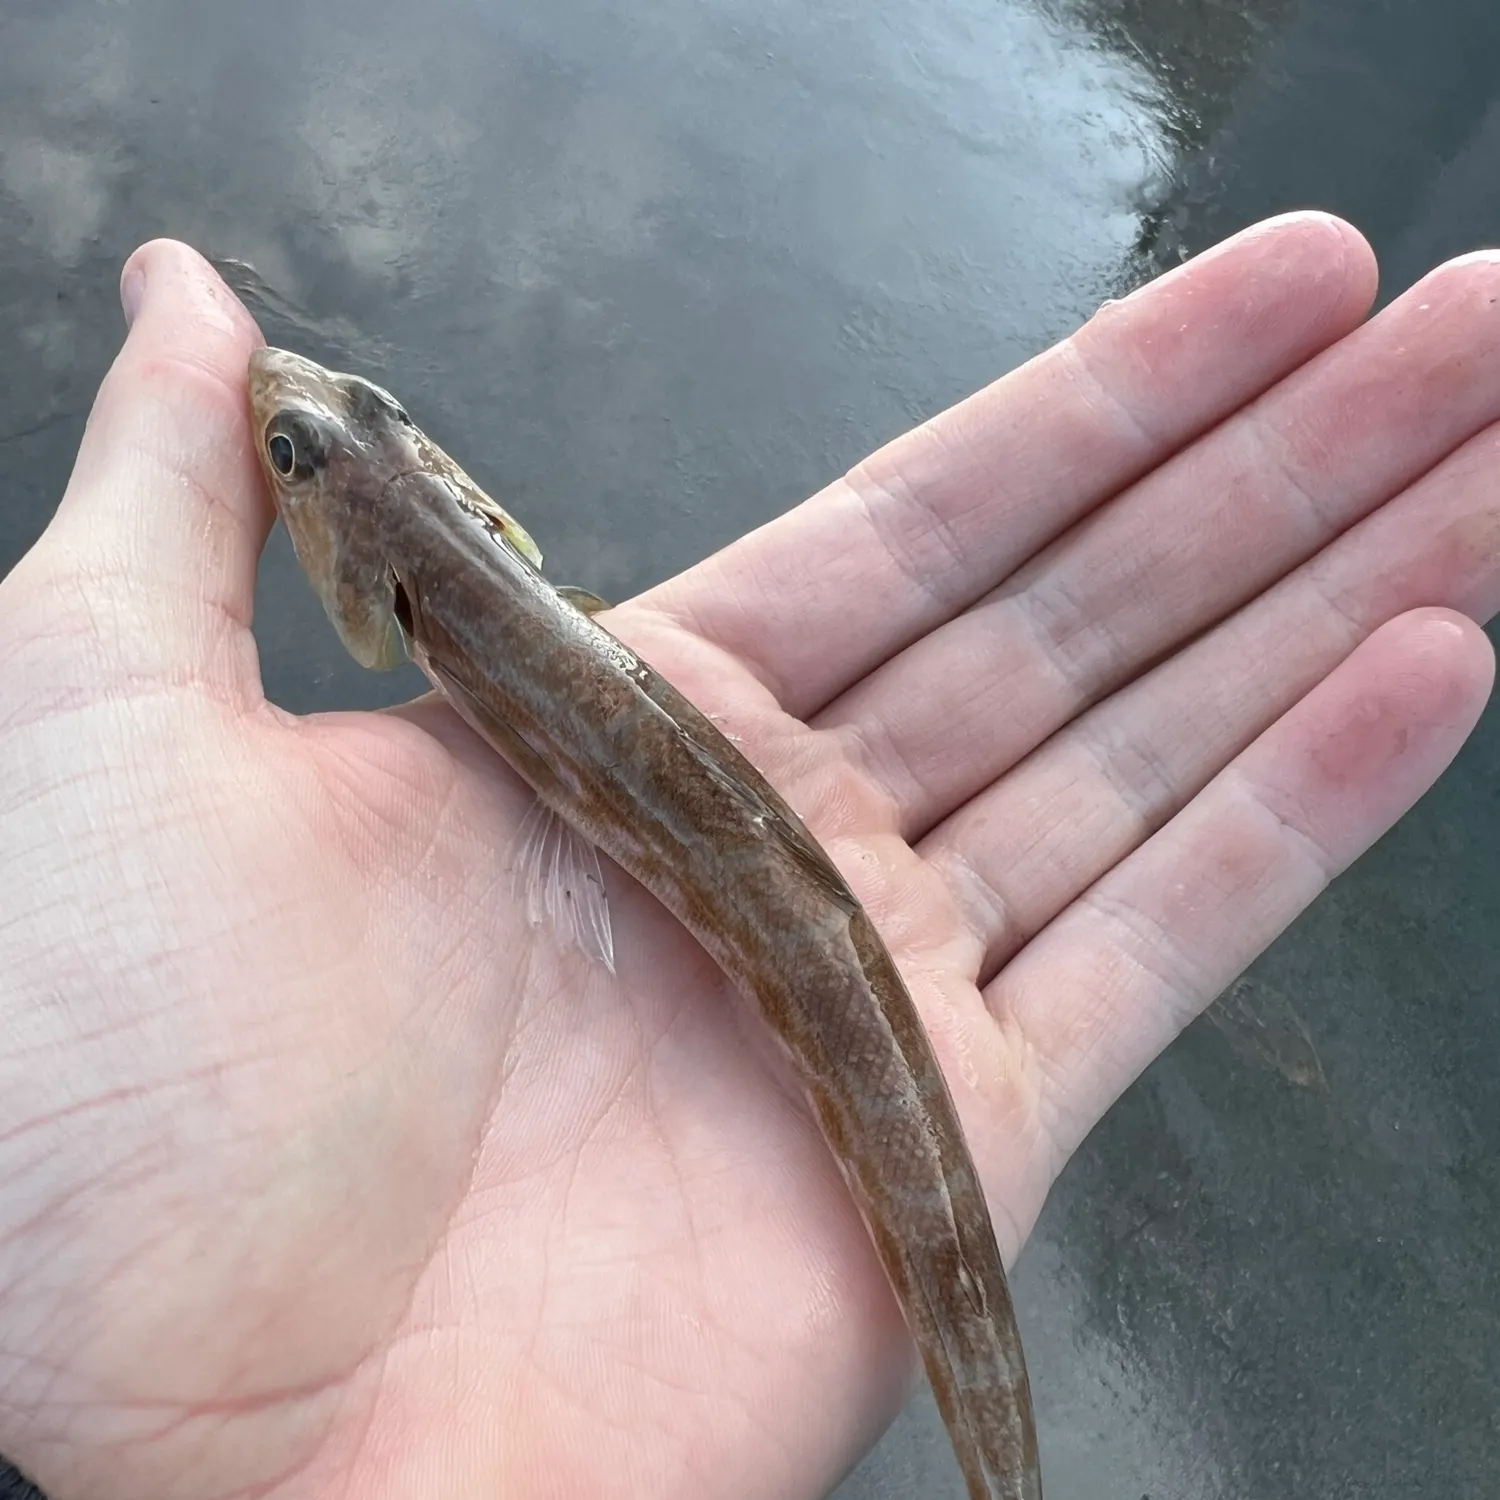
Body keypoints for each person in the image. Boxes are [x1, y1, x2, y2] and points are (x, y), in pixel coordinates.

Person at [0, 211, 1494, 1500]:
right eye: (295, 450)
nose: (294, 414)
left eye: (319, 438)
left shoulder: (419, 598)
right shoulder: (448, 593)